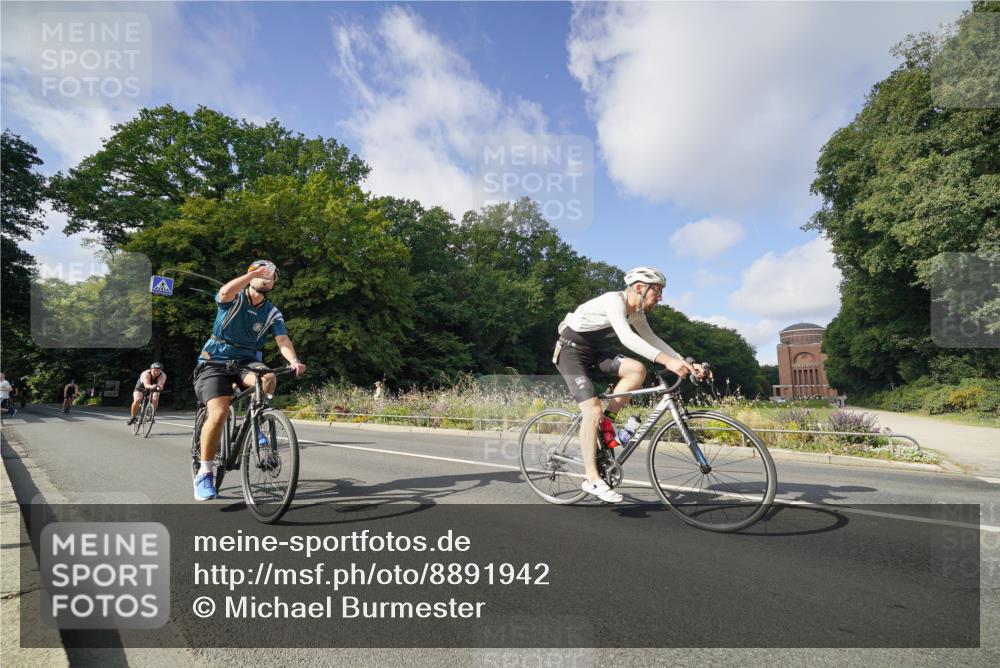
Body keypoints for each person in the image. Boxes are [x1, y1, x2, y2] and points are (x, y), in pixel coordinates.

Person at [554, 266, 706, 503]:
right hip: (569, 353)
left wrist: (685, 362)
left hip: (593, 353)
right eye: (657, 291)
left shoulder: (636, 313)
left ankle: (607, 421)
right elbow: (627, 338)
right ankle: (591, 478)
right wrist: (668, 362)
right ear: (639, 288)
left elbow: (652, 339)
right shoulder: (614, 301)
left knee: (637, 370)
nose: (661, 297)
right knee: (591, 410)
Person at [192, 260, 306, 501]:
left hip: (246, 362)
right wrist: (252, 275)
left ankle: (255, 420)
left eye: (270, 276)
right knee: (219, 412)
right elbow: (224, 292)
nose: (265, 278)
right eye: (260, 274)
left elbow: (283, 340)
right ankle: (204, 473)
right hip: (215, 361)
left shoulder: (272, 312)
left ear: (274, 283)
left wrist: (294, 360)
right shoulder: (234, 299)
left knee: (268, 377)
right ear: (249, 276)